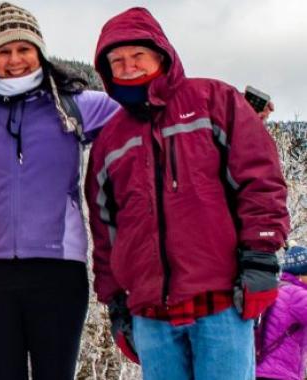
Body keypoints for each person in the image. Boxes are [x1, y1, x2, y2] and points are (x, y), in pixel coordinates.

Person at [85, 7, 290, 380]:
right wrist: (117, 304)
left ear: (161, 54)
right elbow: (104, 232)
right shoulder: (109, 141)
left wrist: (260, 259)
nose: (128, 67)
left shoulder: (215, 102)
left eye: (137, 56)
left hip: (222, 305)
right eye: (118, 61)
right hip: (151, 318)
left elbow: (260, 182)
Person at [0, 3, 120, 379]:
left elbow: (150, 110)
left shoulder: (74, 107)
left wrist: (238, 111)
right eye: (4, 51)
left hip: (58, 270)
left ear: (39, 52)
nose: (15, 60)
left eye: (23, 49)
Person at [256, 244, 307, 380]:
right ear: (301, 274)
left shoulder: (277, 289)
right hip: (280, 373)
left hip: (259, 369)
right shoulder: (297, 295)